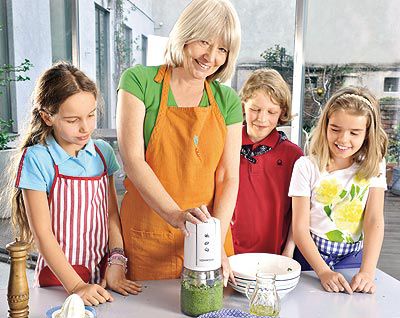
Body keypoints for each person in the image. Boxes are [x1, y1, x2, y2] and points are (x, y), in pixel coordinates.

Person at [117, 0, 242, 285]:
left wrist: (215, 242)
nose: (211, 57)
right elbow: (133, 161)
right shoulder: (139, 81)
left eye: (222, 49)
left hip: (209, 237)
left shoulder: (227, 101)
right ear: (186, 35)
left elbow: (227, 176)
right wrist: (175, 215)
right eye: (204, 42)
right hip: (150, 233)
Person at [11, 62, 141, 306]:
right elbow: (42, 235)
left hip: (103, 276)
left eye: (91, 115)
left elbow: (111, 214)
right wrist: (76, 285)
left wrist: (116, 262)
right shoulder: (38, 159)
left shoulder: (103, 153)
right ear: (47, 117)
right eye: (73, 120)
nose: (85, 128)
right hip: (59, 282)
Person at [289, 86, 388, 294]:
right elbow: (299, 228)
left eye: (354, 133)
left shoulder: (375, 165)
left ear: (367, 134)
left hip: (353, 257)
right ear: (325, 125)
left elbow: (374, 220)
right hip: (311, 255)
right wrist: (323, 271)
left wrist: (367, 272)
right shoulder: (305, 166)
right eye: (335, 129)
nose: (343, 139)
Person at [231, 69, 303, 256]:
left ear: (282, 113)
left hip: (275, 256)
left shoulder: (293, 156)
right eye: (255, 109)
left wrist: (289, 250)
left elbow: (300, 211)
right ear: (243, 105)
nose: (262, 119)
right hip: (228, 252)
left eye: (271, 112)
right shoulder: (226, 144)